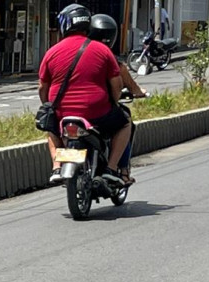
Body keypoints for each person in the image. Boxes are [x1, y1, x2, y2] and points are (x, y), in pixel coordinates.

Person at [38, 3, 132, 185]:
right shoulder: (102, 50)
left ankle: (57, 166)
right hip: (97, 113)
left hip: (63, 114)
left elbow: (43, 87)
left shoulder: (51, 52)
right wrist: (113, 101)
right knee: (125, 123)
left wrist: (49, 106)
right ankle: (112, 168)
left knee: (51, 127)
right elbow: (117, 85)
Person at [89, 13, 145, 184]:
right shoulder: (111, 59)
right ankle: (117, 169)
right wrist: (137, 92)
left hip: (68, 111)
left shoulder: (75, 53)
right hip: (100, 110)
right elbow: (124, 85)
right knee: (125, 122)